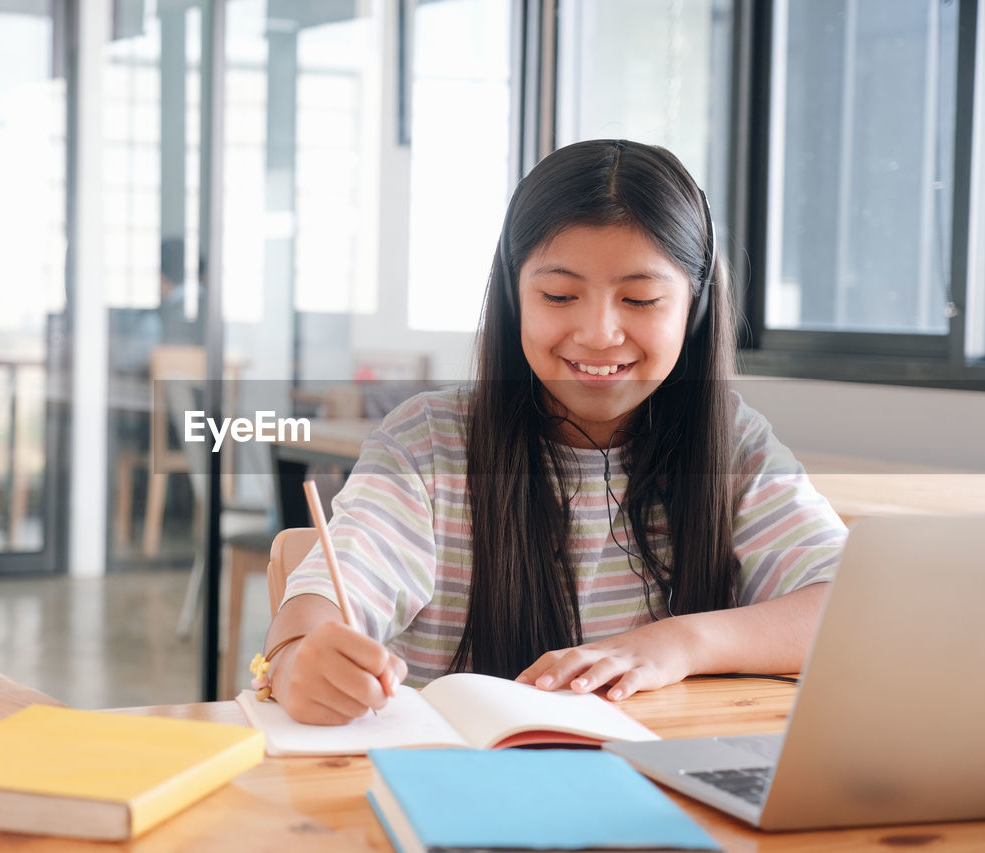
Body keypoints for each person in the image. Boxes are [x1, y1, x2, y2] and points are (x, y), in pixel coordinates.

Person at [260, 139, 846, 725]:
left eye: (640, 298)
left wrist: (681, 643)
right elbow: (329, 597)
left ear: (692, 308)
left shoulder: (733, 446)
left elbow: (852, 608)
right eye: (559, 295)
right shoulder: (428, 444)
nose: (598, 333)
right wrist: (295, 658)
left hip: (666, 788)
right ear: (516, 299)